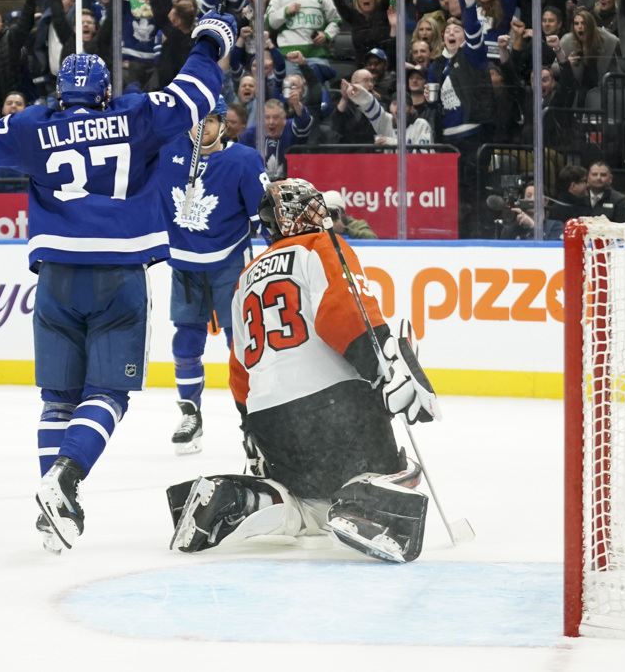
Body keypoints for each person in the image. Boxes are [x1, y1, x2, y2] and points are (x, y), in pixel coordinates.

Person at [0, 12, 231, 554]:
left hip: (56, 279)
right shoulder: (136, 114)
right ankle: (66, 477)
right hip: (119, 276)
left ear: (61, 94)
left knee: (58, 398)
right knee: (107, 393)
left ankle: (51, 515)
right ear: (105, 92)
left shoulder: (32, 126)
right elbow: (195, 94)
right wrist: (209, 40)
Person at [168, 179, 437, 564]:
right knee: (399, 473)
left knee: (310, 505)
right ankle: (363, 507)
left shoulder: (246, 278)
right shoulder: (323, 245)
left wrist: (250, 430)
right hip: (332, 405)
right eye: (310, 208)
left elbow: (240, 369)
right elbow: (344, 314)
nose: (318, 215)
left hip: (268, 419)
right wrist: (384, 371)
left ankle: (246, 501)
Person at [158, 98, 268, 454]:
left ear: (224, 124)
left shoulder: (244, 160)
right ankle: (190, 415)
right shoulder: (166, 153)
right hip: (184, 266)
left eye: (209, 120)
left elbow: (263, 217)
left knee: (241, 345)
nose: (201, 127)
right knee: (185, 344)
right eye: (195, 119)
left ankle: (252, 420)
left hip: (229, 263)